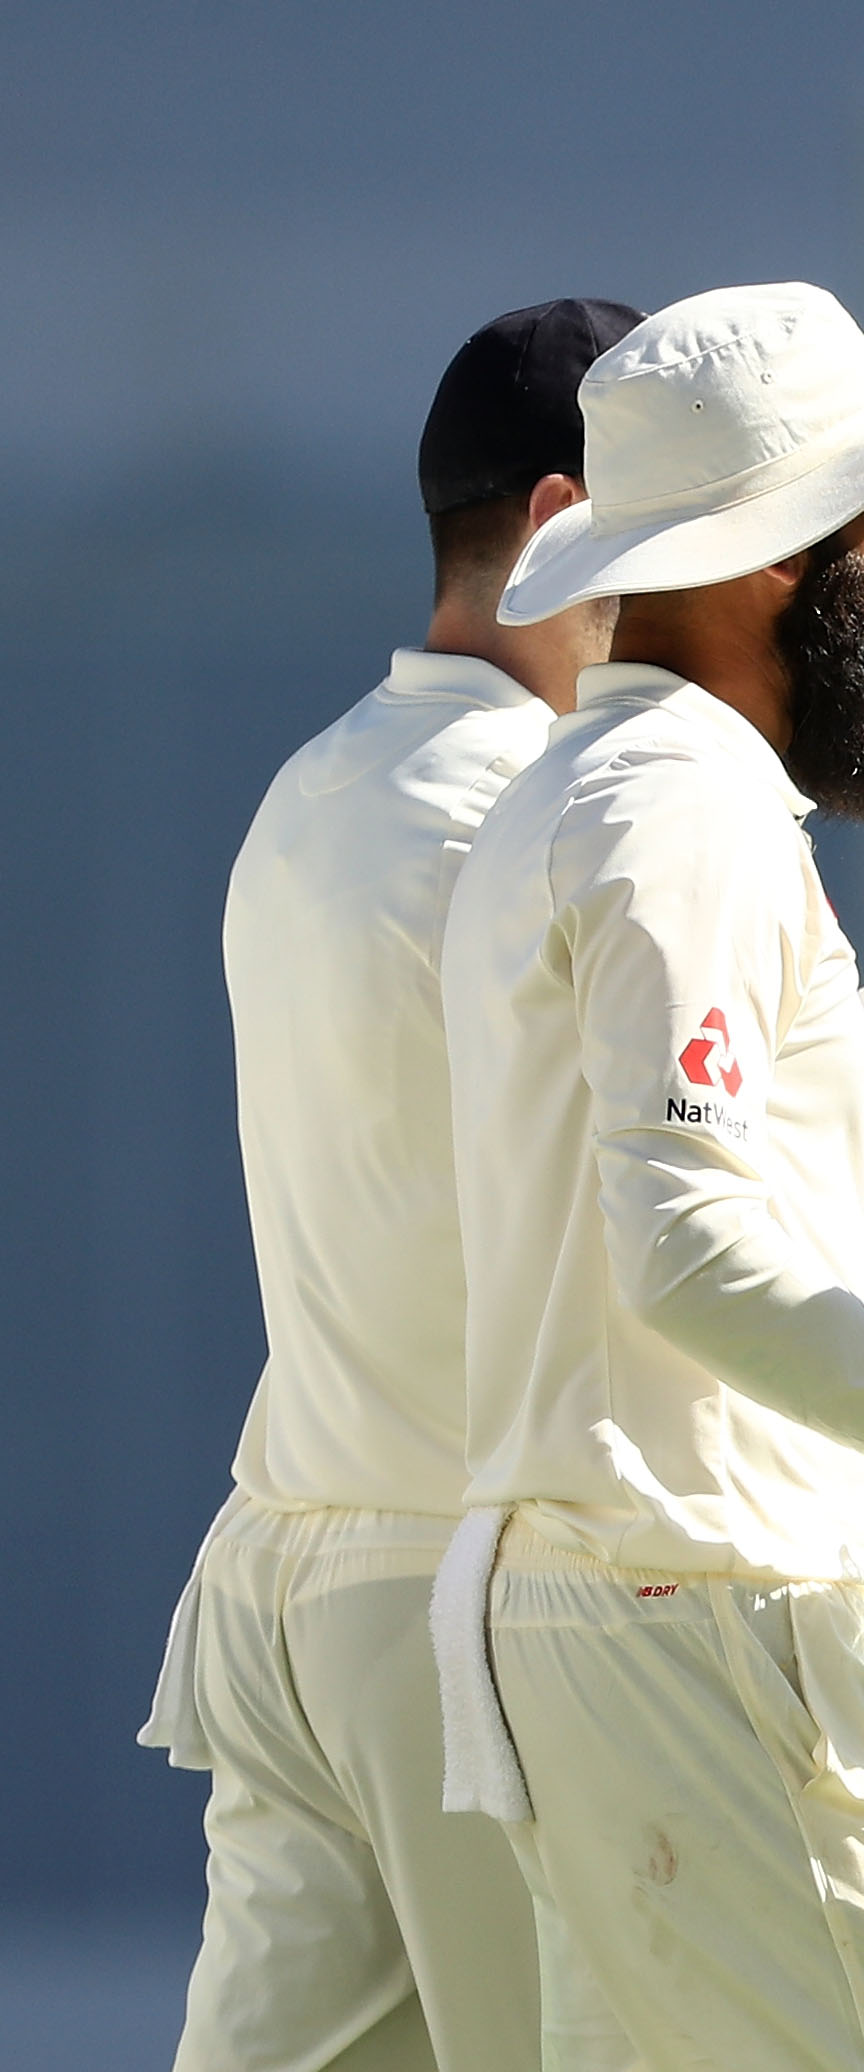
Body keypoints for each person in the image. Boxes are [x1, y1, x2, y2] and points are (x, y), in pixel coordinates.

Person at [435, 282, 864, 2069]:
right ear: (763, 558)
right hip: (694, 1619)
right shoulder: (678, 806)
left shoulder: (603, 787)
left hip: (625, 1610)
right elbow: (700, 1258)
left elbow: (794, 1208)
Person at [135, 299, 642, 2072]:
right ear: (572, 517)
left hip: (287, 1596)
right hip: (471, 1627)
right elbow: (712, 1229)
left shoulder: (306, 791)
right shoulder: (563, 818)